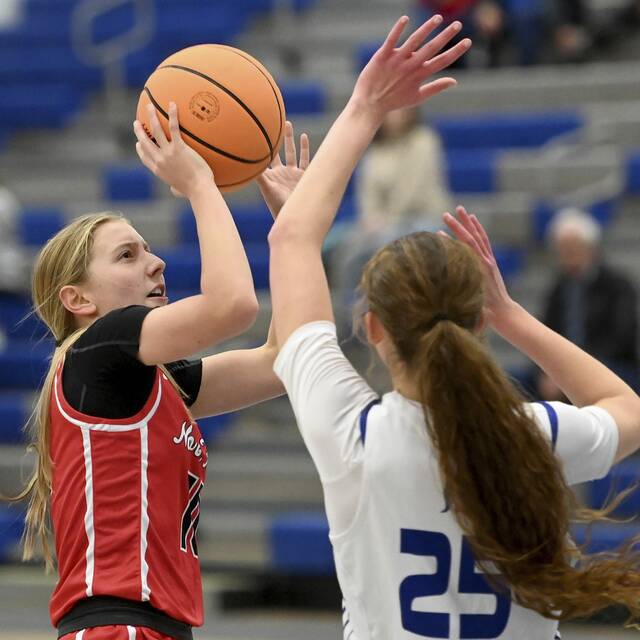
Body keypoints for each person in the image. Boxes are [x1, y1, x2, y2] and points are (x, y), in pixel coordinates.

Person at [268, 13, 640, 639]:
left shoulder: (356, 437)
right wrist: (514, 314)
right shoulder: (536, 434)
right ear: (479, 322)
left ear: (374, 328)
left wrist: (362, 108)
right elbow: (626, 407)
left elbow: (292, 240)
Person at [7, 104, 308, 639]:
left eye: (148, 249)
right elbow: (233, 306)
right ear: (78, 299)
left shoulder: (148, 380)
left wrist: (293, 232)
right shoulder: (98, 349)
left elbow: (284, 359)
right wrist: (198, 183)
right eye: (127, 255)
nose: (156, 262)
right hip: (118, 624)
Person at [537, 207, 639, 400]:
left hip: (608, 365)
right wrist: (547, 370)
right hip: (563, 367)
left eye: (572, 247)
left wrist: (575, 368)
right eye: (562, 249)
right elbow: (545, 331)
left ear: (590, 248)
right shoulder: (558, 289)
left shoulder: (617, 285)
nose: (567, 254)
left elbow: (620, 338)